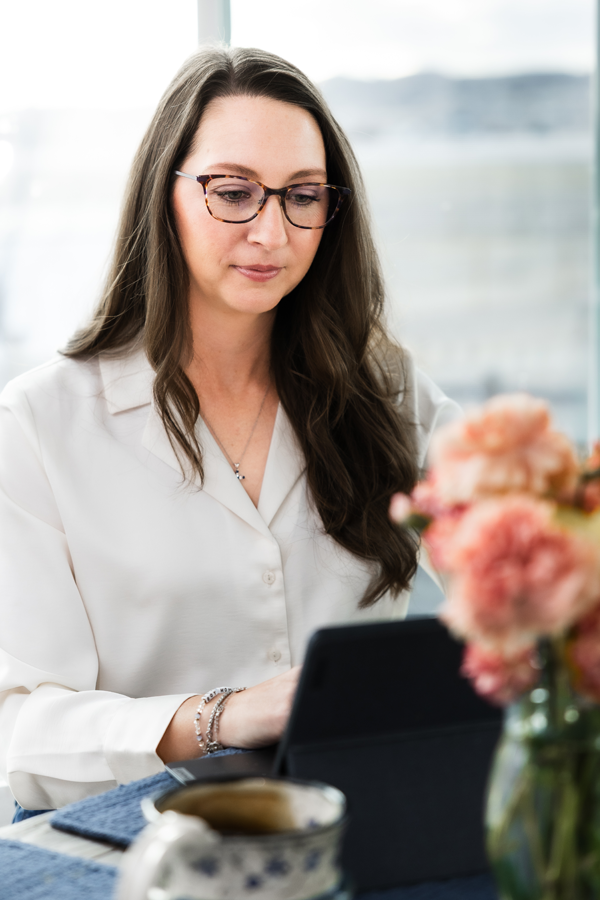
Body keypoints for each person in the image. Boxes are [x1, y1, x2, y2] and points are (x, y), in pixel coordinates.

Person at [0, 46, 459, 813]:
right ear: (164, 193)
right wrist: (222, 717)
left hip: (365, 822)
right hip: (139, 847)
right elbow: (19, 728)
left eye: (303, 196)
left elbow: (525, 569)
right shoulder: (38, 424)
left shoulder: (391, 391)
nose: (273, 234)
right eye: (234, 192)